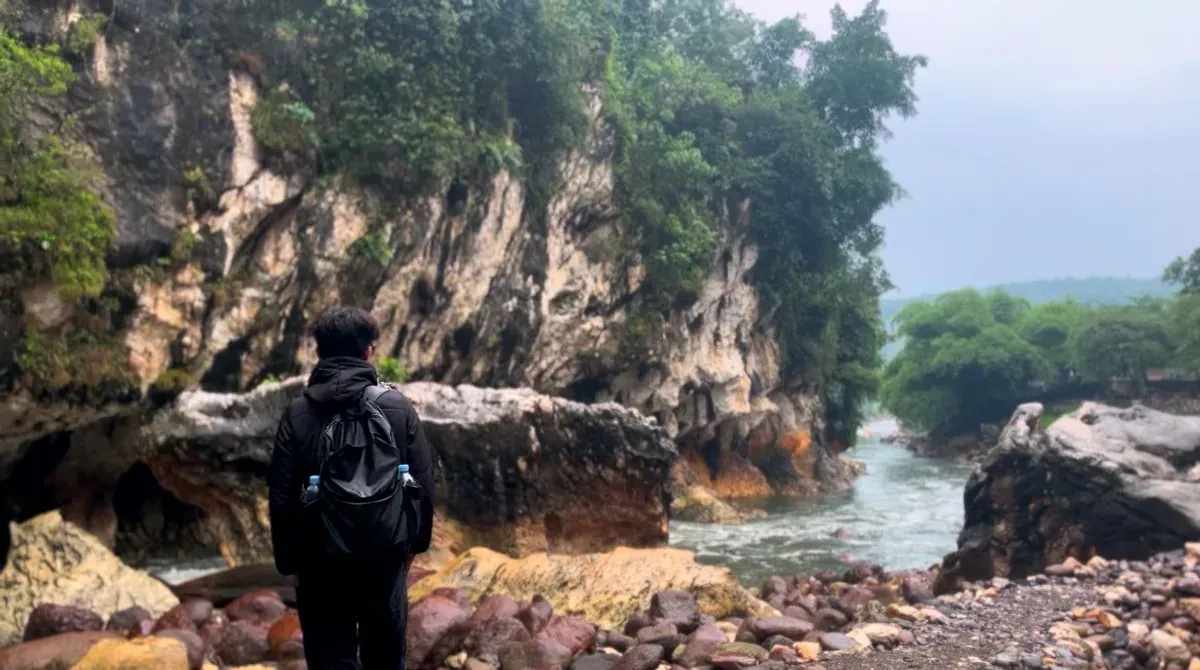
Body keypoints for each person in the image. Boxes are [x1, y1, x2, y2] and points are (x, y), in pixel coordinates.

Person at [268, 306, 435, 669]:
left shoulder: (298, 413)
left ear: (319, 353)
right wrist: (413, 547)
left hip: (318, 557)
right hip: (384, 553)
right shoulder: (396, 407)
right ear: (368, 353)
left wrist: (290, 562)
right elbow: (423, 481)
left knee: (330, 659)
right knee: (385, 658)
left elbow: (280, 496)